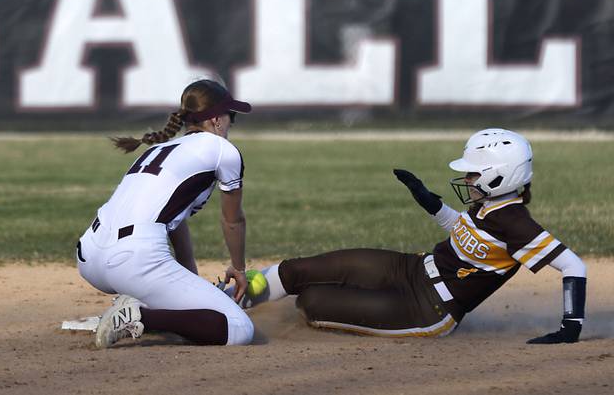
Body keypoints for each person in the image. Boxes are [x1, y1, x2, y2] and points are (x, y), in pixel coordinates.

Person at [232, 129, 587, 343]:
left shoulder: (517, 224)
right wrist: (432, 203)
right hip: (412, 270)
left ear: (500, 177)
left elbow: (574, 266)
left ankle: (232, 317)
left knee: (311, 301)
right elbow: (465, 234)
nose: (466, 180)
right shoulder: (490, 206)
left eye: (473, 174)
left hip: (426, 310)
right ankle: (232, 300)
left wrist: (571, 326)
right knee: (298, 271)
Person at [76, 79, 254, 348]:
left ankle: (134, 308)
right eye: (232, 117)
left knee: (186, 299)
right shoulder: (222, 150)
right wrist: (238, 268)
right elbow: (233, 220)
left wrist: (191, 281)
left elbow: (174, 222)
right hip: (133, 260)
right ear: (217, 120)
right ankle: (139, 316)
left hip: (90, 255)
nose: (231, 124)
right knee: (239, 327)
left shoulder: (158, 149)